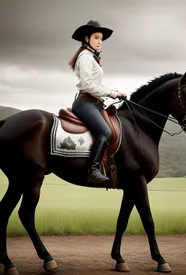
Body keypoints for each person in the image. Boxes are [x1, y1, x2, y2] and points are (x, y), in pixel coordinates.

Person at [69, 20, 127, 184]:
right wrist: (112, 93)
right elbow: (88, 85)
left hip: (94, 103)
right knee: (105, 132)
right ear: (87, 39)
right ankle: (93, 170)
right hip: (85, 103)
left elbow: (98, 85)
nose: (100, 41)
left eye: (101, 38)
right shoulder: (86, 57)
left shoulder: (92, 57)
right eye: (96, 37)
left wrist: (115, 93)